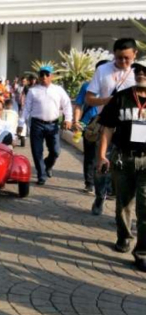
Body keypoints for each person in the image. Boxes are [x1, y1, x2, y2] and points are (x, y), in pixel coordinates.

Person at [96, 58, 146, 270]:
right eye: (138, 70)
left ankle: (142, 252)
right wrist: (101, 155)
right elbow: (107, 128)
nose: (141, 73)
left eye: (145, 70)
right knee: (124, 203)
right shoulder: (121, 98)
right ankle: (124, 237)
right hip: (122, 157)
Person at [86, 38, 138, 215]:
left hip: (133, 127)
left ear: (135, 55)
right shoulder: (103, 70)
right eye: (119, 58)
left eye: (127, 58)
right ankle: (100, 195)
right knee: (101, 163)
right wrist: (107, 101)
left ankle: (126, 204)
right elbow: (89, 98)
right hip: (106, 124)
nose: (123, 62)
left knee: (132, 165)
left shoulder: (139, 72)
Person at [20, 65, 73, 185]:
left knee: (55, 151)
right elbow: (26, 108)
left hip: (53, 125)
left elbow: (67, 105)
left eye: (47, 74)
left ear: (52, 76)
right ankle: (41, 174)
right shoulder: (33, 91)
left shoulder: (58, 90)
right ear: (38, 76)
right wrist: (21, 123)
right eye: (41, 74)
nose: (44, 77)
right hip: (37, 124)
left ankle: (47, 166)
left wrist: (68, 119)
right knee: (37, 151)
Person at [73, 60, 111, 195]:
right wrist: (76, 121)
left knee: (108, 154)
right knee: (90, 156)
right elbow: (78, 104)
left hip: (109, 124)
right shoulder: (87, 86)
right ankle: (89, 183)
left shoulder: (116, 86)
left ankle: (108, 186)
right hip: (90, 125)